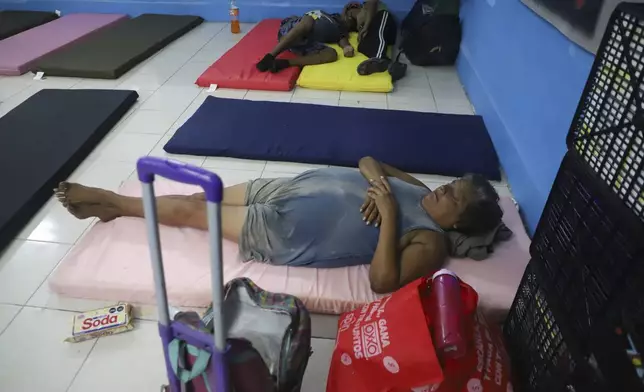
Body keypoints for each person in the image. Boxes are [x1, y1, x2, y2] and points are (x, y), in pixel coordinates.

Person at [55, 157, 502, 294]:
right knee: (198, 197)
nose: (444, 190)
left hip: (288, 229)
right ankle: (121, 204)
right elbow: (368, 160)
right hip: (291, 188)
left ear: (458, 221)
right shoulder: (420, 186)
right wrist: (377, 185)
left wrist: (388, 215)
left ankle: (114, 204)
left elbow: (383, 281)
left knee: (196, 214)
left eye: (454, 197)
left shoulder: (430, 241)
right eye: (453, 184)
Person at [256, 10, 355, 73]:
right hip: (293, 29)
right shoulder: (326, 14)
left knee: (332, 54)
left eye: (352, 22)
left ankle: (283, 63)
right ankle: (269, 57)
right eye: (350, 17)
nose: (349, 20)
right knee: (308, 20)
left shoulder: (341, 31)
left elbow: (344, 42)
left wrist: (347, 48)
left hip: (304, 42)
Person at [343, 0, 398, 76]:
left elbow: (372, 2)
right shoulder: (357, 26)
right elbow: (342, 27)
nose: (351, 16)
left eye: (351, 13)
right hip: (377, 33)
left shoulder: (368, 7)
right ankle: (382, 63)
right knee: (362, 47)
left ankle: (378, 59)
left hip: (385, 23)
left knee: (378, 30)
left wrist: (366, 26)